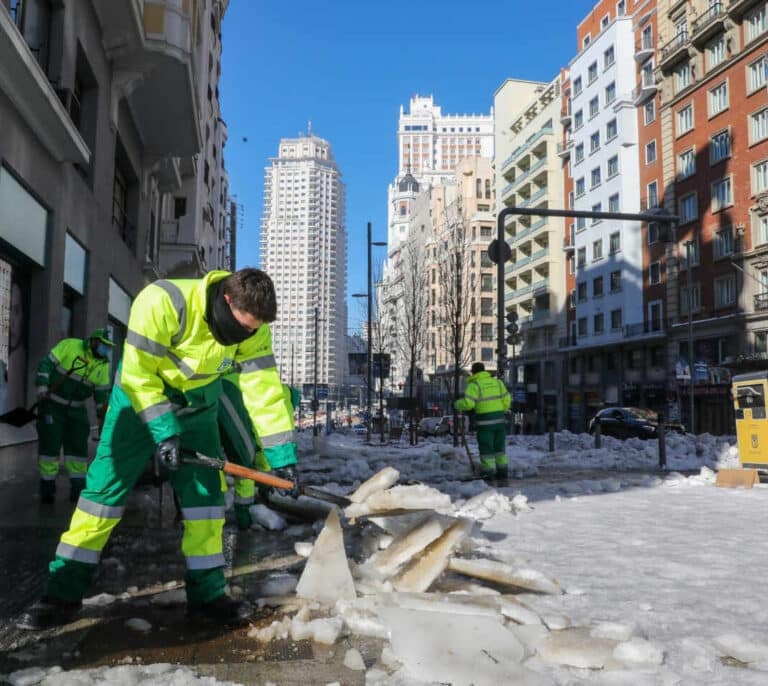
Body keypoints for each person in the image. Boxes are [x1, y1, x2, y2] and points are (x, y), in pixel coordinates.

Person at [17, 268, 298, 631]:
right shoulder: (163, 301)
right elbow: (138, 374)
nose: (246, 336)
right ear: (225, 302)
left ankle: (208, 599)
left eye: (253, 329)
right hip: (138, 403)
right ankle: (61, 594)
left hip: (198, 408)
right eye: (241, 327)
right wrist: (164, 432)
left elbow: (264, 392)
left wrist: (283, 458)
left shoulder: (254, 331)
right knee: (101, 497)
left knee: (206, 505)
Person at [35, 328, 113, 504]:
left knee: (78, 449)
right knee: (50, 446)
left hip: (77, 409)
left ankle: (77, 489)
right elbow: (46, 363)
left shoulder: (103, 365)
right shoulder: (70, 346)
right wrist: (42, 386)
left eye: (108, 347)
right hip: (53, 405)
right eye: (103, 345)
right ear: (94, 341)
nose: (105, 349)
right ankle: (47, 488)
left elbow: (101, 395)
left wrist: (104, 417)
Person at [218, 377, 301, 529]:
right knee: (244, 463)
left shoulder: (277, 393)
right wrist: (269, 481)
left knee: (216, 454)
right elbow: (264, 446)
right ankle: (243, 517)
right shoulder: (282, 407)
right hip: (227, 393)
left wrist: (267, 481)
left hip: (219, 389)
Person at [454, 362, 511, 480]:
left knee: (486, 448)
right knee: (499, 447)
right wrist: (502, 410)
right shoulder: (498, 382)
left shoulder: (474, 385)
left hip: (485, 422)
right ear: (484, 370)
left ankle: (488, 472)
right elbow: (507, 399)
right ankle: (503, 471)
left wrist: (456, 404)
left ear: (473, 372)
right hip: (499, 420)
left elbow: (468, 404)